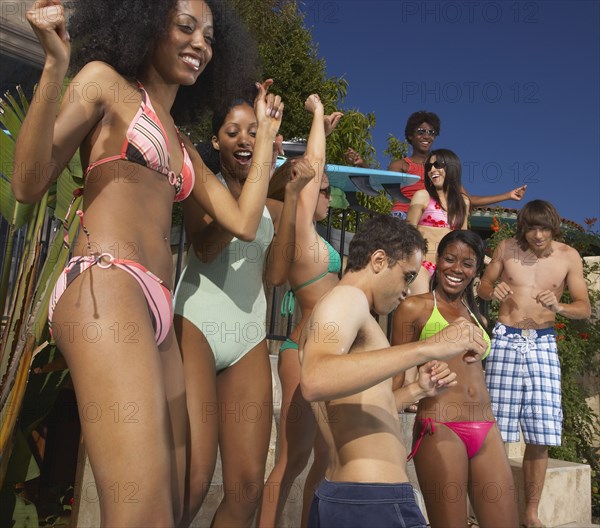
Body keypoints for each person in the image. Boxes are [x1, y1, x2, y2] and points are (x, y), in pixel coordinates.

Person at [12, 1, 283, 526]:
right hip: (106, 282)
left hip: (156, 308)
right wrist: (53, 67)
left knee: (177, 504)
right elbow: (27, 180)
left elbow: (244, 221)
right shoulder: (104, 83)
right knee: (142, 512)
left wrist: (267, 141)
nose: (200, 44)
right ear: (145, 25)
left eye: (209, 36)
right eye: (185, 27)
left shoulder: (182, 144)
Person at [299, 215, 488, 528]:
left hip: (349, 496)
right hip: (373, 500)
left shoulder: (345, 309)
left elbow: (356, 405)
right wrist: (427, 348)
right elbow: (315, 379)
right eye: (407, 276)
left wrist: (417, 390)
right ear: (378, 260)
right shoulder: (348, 299)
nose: (407, 290)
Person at [173, 96, 310, 526]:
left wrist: (286, 196)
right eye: (233, 131)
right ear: (216, 141)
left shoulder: (269, 208)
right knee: (194, 479)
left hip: (248, 333)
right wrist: (243, 202)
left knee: (248, 487)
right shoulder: (202, 185)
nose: (245, 138)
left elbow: (275, 275)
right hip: (195, 322)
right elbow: (204, 246)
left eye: (254, 130)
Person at [392, 230, 519, 527]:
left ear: (476, 270)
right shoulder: (414, 308)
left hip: (486, 427)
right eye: (449, 259)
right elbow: (393, 384)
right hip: (441, 426)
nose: (456, 269)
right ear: (438, 261)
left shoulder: (479, 318)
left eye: (467, 263)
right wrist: (417, 389)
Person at [478, 199, 591, 528]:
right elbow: (483, 287)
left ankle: (530, 514)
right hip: (505, 339)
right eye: (531, 228)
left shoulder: (569, 256)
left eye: (543, 228)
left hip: (542, 343)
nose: (538, 235)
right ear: (523, 228)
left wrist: (560, 307)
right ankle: (493, 511)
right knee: (495, 432)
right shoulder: (506, 248)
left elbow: (583, 307)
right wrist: (492, 290)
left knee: (540, 433)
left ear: (553, 227)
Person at [258, 97, 343, 527]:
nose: (329, 196)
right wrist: (315, 114)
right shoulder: (301, 231)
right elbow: (310, 165)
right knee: (292, 460)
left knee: (325, 461)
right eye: (325, 190)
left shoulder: (312, 237)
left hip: (327, 358)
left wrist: (322, 131)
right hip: (302, 353)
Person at [345, 110, 526, 218]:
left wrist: (508, 195)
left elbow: (468, 201)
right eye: (421, 131)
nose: (426, 136)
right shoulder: (401, 165)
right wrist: (362, 165)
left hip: (432, 220)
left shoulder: (441, 169)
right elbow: (381, 185)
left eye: (431, 132)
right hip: (403, 219)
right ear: (410, 136)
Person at [407, 149, 470, 296]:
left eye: (437, 165)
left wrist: (487, 259)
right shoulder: (422, 196)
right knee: (422, 311)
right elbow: (407, 233)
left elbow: (465, 240)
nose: (432, 170)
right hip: (422, 266)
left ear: (452, 167)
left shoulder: (463, 203)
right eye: (429, 167)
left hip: (448, 270)